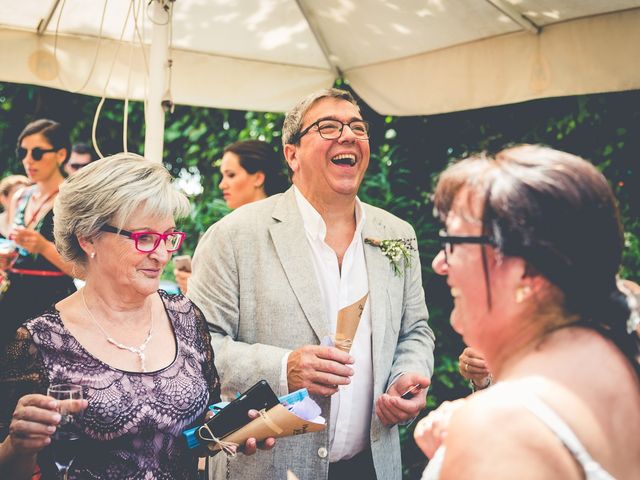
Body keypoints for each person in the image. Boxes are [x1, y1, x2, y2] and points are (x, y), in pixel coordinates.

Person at [188, 88, 435, 480]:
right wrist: (283, 367)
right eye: (328, 126)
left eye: (357, 126)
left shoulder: (397, 234)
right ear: (292, 154)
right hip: (266, 468)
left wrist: (407, 376)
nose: (348, 135)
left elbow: (415, 330)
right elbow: (196, 350)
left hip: (372, 466)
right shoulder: (233, 235)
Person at [0, 154, 274, 479]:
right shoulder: (40, 340)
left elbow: (195, 432)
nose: (161, 255)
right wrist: (19, 445)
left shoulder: (185, 316)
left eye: (169, 237)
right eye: (144, 238)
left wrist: (231, 429)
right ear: (87, 237)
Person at [415, 145, 639, 479]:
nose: (440, 263)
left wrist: (467, 453)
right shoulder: (621, 354)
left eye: (455, 243)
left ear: (526, 271)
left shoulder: (497, 431)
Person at [173, 139, 288, 293]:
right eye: (223, 176)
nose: (222, 184)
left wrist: (197, 291)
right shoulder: (289, 220)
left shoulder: (229, 231)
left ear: (258, 178)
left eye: (231, 175)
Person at [0, 120, 76, 351]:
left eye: (38, 152)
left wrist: (43, 247)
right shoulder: (20, 196)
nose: (28, 159)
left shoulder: (72, 198)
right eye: (22, 152)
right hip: (15, 293)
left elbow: (83, 268)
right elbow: (14, 248)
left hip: (53, 296)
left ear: (60, 154)